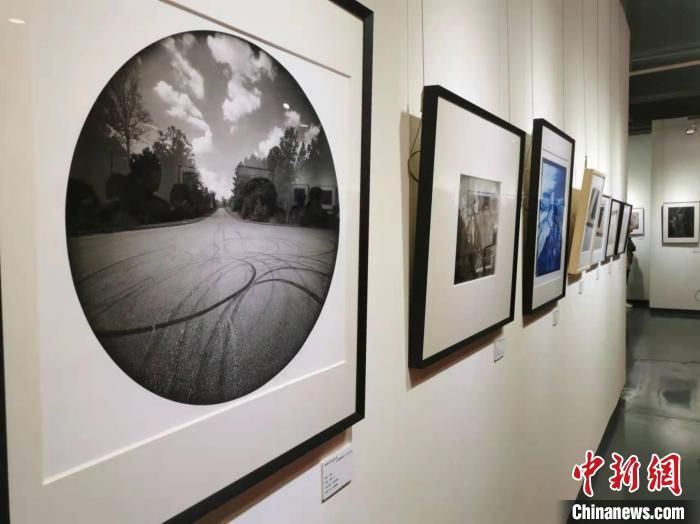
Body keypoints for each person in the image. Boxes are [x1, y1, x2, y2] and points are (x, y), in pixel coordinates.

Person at [626, 222, 636, 309]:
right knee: (624, 283)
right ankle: (623, 301)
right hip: (626, 264)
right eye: (631, 225)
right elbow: (632, 247)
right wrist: (626, 263)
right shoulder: (626, 237)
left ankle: (624, 301)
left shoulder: (628, 237)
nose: (633, 226)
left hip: (627, 264)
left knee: (625, 283)